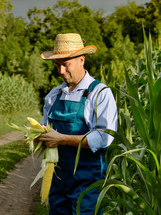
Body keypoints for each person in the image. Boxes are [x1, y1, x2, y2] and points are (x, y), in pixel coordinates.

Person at [38, 33, 118, 215]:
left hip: (87, 182)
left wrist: (61, 139)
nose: (61, 71)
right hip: (58, 180)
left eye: (65, 65)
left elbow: (103, 138)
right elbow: (45, 128)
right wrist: (38, 137)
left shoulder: (100, 93)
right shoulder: (54, 95)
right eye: (58, 65)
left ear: (81, 60)